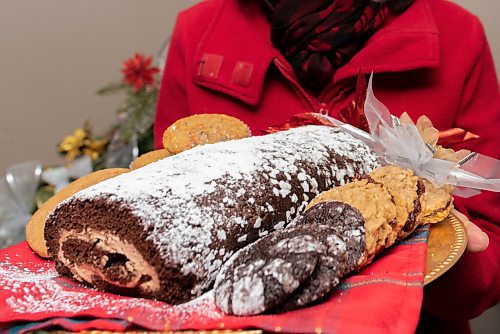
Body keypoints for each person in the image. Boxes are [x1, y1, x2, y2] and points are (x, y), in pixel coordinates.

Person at [154, 0, 499, 332]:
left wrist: (446, 251)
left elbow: (489, 264)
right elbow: (161, 224)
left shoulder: (456, 34)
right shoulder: (198, 30)